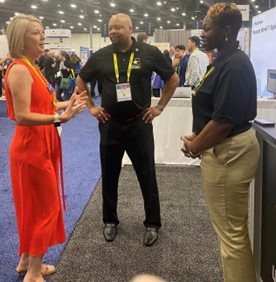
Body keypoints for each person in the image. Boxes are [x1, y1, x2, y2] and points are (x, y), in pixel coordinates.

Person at [77, 13, 179, 246]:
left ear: (130, 29)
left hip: (139, 123)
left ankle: (152, 223)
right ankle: (110, 221)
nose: (113, 31)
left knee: (147, 175)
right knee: (109, 174)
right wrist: (91, 106)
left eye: (118, 28)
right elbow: (81, 81)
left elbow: (172, 79)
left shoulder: (148, 52)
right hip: (110, 124)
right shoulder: (101, 56)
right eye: (110, 28)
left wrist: (159, 107)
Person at [4, 14, 87, 282]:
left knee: (33, 206)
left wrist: (67, 104)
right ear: (20, 38)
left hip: (39, 143)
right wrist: (59, 118)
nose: (43, 37)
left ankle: (27, 261)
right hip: (31, 147)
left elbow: (45, 104)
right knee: (45, 208)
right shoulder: (19, 68)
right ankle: (33, 274)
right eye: (36, 33)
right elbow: (22, 115)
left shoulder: (32, 67)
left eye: (42, 32)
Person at [181, 3, 260, 282]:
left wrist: (194, 146)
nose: (201, 33)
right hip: (223, 148)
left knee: (232, 238)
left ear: (226, 31)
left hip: (230, 153)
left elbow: (224, 123)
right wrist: (198, 136)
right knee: (231, 234)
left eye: (206, 28)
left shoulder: (235, 65)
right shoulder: (222, 60)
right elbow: (217, 113)